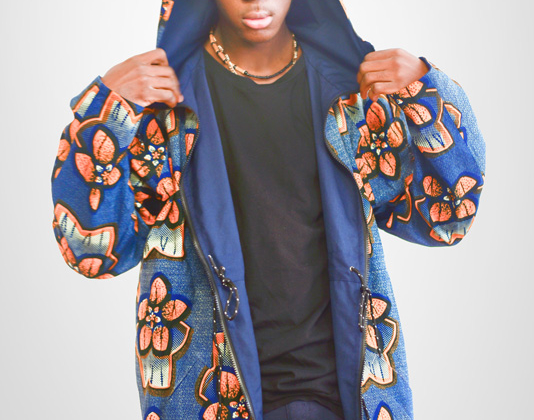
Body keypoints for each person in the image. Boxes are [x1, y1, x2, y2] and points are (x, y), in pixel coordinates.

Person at [51, 0, 485, 419]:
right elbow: (92, 252)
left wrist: (425, 92)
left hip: (349, 396)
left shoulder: (350, 96)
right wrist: (105, 112)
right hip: (210, 397)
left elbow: (447, 216)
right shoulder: (165, 108)